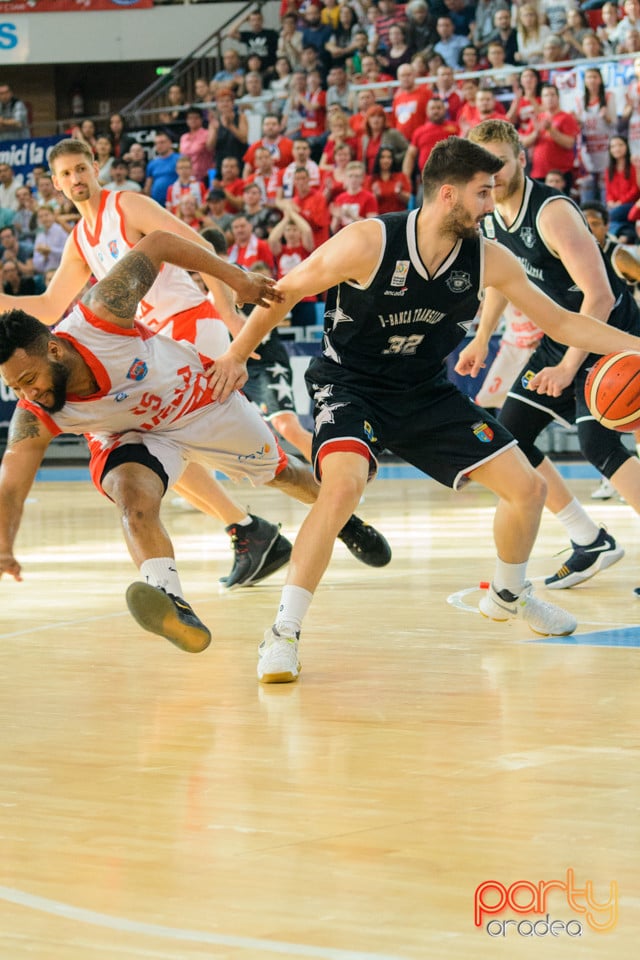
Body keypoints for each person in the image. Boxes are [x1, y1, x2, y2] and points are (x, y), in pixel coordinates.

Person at [207, 136, 640, 684]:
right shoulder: (367, 241)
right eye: (483, 193)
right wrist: (235, 354)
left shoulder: (488, 258)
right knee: (342, 487)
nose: (491, 204)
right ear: (449, 195)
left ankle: (509, 593)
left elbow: (563, 322)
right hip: (350, 383)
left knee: (527, 488)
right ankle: (283, 633)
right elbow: (284, 294)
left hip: (424, 391)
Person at [0, 139, 289, 590]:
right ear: (54, 184)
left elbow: (192, 245)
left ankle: (263, 522)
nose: (76, 178)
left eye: (82, 168)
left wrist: (229, 310)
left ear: (96, 168)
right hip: (148, 345)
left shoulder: (127, 205)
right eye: (66, 174)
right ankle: (248, 529)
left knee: (185, 442)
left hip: (189, 323)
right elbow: (51, 303)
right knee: (153, 451)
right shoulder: (80, 238)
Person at [0, 231, 310, 649]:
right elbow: (11, 484)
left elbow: (160, 242)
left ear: (54, 350)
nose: (28, 394)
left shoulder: (102, 313)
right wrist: (4, 545)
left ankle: (340, 510)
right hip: (131, 436)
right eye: (16, 389)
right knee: (132, 497)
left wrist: (236, 278)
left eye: (28, 380)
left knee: (286, 474)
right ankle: (170, 599)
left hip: (198, 403)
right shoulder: (35, 412)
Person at [462, 119, 640, 592]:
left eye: (501, 162)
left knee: (598, 446)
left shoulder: (551, 212)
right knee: (509, 436)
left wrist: (567, 367)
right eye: (485, 166)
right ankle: (589, 539)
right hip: (562, 335)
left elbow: (598, 297)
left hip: (607, 333)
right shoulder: (493, 211)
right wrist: (482, 337)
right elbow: (503, 278)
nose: (494, 174)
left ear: (522, 158)